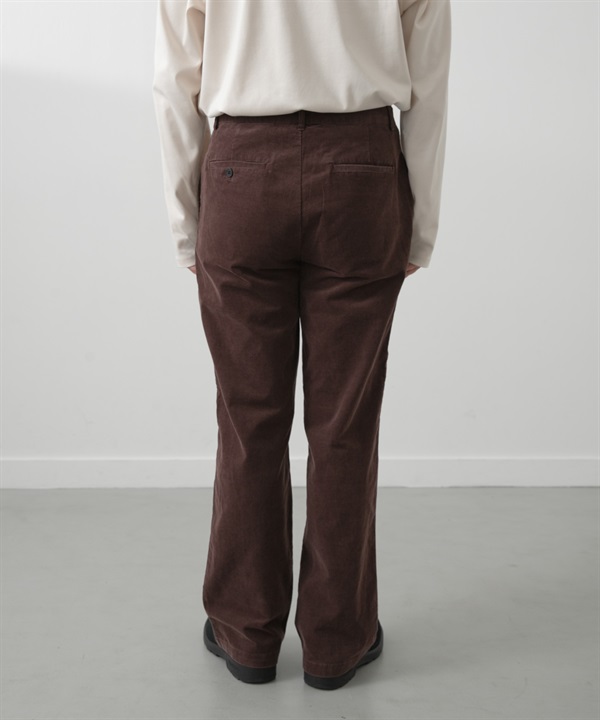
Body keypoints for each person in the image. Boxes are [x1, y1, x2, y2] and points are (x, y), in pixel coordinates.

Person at [152, 0, 451, 691]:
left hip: (241, 171)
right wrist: (422, 223)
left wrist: (185, 223)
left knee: (248, 420)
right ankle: (336, 642)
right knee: (344, 425)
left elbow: (174, 81)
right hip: (362, 172)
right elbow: (430, 84)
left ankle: (246, 636)